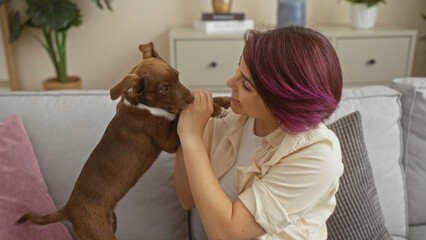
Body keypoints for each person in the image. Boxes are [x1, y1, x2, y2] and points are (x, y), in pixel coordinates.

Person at [174, 25, 344, 240]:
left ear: (282, 103)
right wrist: (182, 133)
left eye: (245, 85)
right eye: (239, 69)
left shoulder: (317, 154)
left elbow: (226, 234)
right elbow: (187, 198)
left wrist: (191, 139)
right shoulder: (227, 119)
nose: (229, 83)